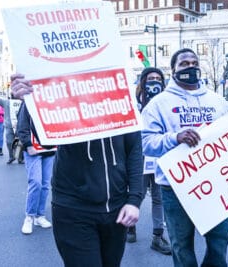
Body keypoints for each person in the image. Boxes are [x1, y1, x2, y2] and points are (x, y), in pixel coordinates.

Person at [11, 74, 144, 266]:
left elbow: (134, 152)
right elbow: (44, 139)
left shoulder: (121, 99)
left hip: (117, 211)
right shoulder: (65, 100)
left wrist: (134, 200)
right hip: (74, 210)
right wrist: (33, 102)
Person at [141, 48, 228, 267]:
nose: (191, 66)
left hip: (215, 184)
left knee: (220, 239)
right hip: (175, 187)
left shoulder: (218, 101)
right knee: (181, 244)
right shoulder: (158, 104)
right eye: (184, 63)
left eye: (194, 62)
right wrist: (175, 138)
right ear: (173, 70)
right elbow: (145, 143)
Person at [126, 67, 171, 255]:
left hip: (160, 157)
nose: (155, 81)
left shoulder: (165, 104)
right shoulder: (134, 105)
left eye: (158, 78)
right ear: (143, 82)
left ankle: (157, 235)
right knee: (137, 193)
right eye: (150, 78)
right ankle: (130, 227)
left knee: (159, 197)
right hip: (140, 158)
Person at [17, 101, 56, 234]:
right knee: (35, 182)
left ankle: (40, 216)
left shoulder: (53, 100)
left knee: (45, 185)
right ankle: (29, 216)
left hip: (50, 149)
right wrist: (28, 144)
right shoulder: (29, 101)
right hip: (33, 149)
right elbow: (22, 125)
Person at [0, 86, 22, 164]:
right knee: (9, 142)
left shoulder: (22, 102)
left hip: (20, 126)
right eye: (12, 92)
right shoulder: (6, 102)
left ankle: (19, 157)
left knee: (20, 143)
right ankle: (11, 157)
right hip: (9, 126)